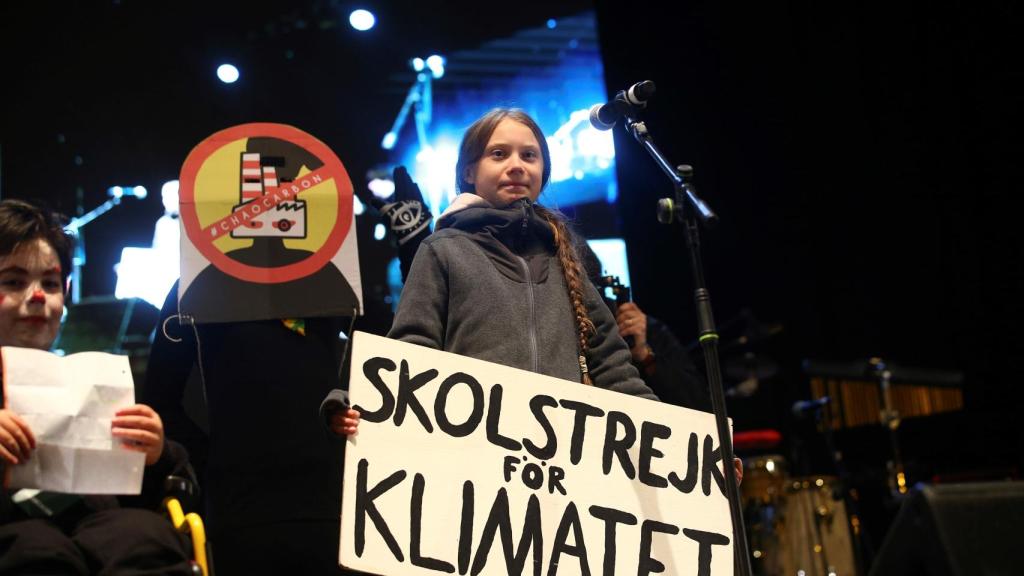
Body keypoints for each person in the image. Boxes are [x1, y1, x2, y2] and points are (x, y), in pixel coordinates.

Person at [386, 108, 655, 397]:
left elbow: (614, 369)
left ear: (543, 172)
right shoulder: (441, 250)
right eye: (499, 154)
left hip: (559, 427)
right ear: (469, 171)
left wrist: (661, 423)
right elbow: (410, 353)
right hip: (468, 426)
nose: (516, 165)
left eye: (528, 155)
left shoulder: (565, 257)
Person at [0, 199, 192, 575]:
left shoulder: (97, 381)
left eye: (50, 284)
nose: (37, 296)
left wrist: (156, 454)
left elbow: (178, 487)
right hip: (17, 536)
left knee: (144, 536)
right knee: (35, 548)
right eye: (14, 282)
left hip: (104, 528)